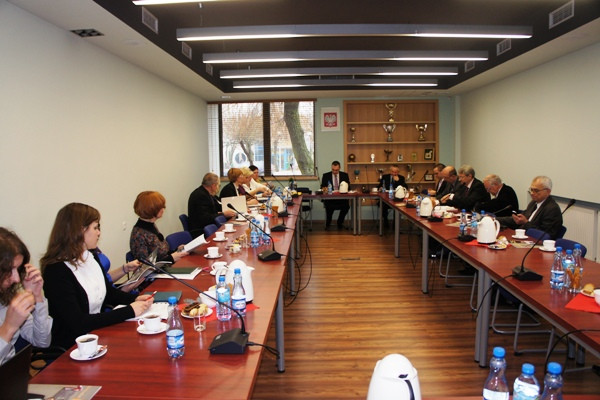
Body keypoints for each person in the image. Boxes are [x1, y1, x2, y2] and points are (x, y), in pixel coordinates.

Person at [41, 203, 153, 349]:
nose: (99, 233)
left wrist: (135, 299)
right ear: (79, 231)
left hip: (97, 333)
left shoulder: (90, 256)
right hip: (74, 346)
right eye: (95, 228)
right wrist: (129, 311)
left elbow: (108, 293)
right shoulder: (56, 271)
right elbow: (79, 322)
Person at [0, 228, 52, 365]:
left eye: (17, 269)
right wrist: (8, 327)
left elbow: (42, 342)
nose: (16, 279)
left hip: (13, 375)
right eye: (8, 270)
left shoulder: (6, 297)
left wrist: (37, 297)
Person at [130, 191, 189, 263]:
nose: (163, 209)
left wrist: (176, 250)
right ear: (151, 209)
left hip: (166, 266)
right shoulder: (138, 235)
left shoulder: (151, 225)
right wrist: (171, 258)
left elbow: (161, 254)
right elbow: (145, 265)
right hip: (157, 270)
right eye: (160, 207)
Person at [497, 176, 563, 239]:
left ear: (548, 191)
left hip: (536, 243)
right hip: (523, 238)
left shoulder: (552, 209)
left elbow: (545, 235)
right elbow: (518, 219)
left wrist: (526, 223)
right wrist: (495, 219)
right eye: (531, 190)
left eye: (536, 190)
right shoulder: (533, 203)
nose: (532, 193)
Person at [188, 173, 236, 238]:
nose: (218, 188)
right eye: (218, 185)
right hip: (201, 231)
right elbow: (205, 218)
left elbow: (217, 207)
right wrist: (223, 214)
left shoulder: (207, 193)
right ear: (213, 186)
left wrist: (222, 213)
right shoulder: (200, 195)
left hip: (207, 226)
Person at [320, 161, 351, 230]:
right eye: (333, 170)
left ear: (339, 168)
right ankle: (328, 223)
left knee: (346, 206)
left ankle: (340, 222)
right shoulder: (326, 175)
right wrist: (325, 189)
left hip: (342, 199)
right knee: (329, 207)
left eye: (336, 170)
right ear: (331, 168)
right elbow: (322, 187)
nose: (334, 172)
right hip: (330, 199)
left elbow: (349, 187)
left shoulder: (344, 175)